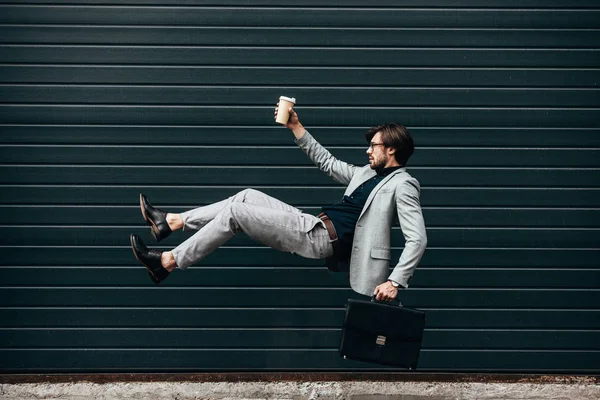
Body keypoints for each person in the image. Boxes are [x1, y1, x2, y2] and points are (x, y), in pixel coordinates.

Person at [130, 104, 427, 302]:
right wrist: (296, 126)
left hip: (323, 238)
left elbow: (417, 239)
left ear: (392, 149)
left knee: (235, 212)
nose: (367, 151)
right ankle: (171, 222)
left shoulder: (403, 184)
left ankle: (168, 261)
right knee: (246, 196)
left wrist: (395, 282)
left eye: (373, 145)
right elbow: (327, 162)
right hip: (313, 224)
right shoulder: (367, 174)